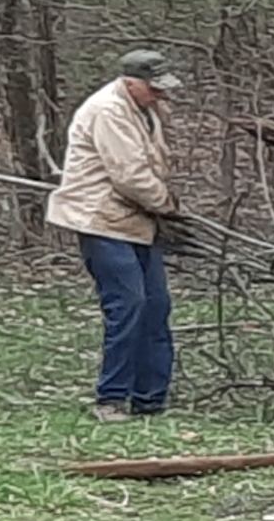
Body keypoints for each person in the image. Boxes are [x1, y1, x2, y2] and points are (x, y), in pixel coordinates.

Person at [44, 49, 188, 420]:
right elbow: (130, 176)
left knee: (156, 306)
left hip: (139, 221)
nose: (160, 96)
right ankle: (111, 399)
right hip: (102, 220)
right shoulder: (108, 110)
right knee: (129, 304)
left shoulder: (147, 110)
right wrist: (167, 205)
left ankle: (150, 400)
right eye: (154, 89)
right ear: (130, 83)